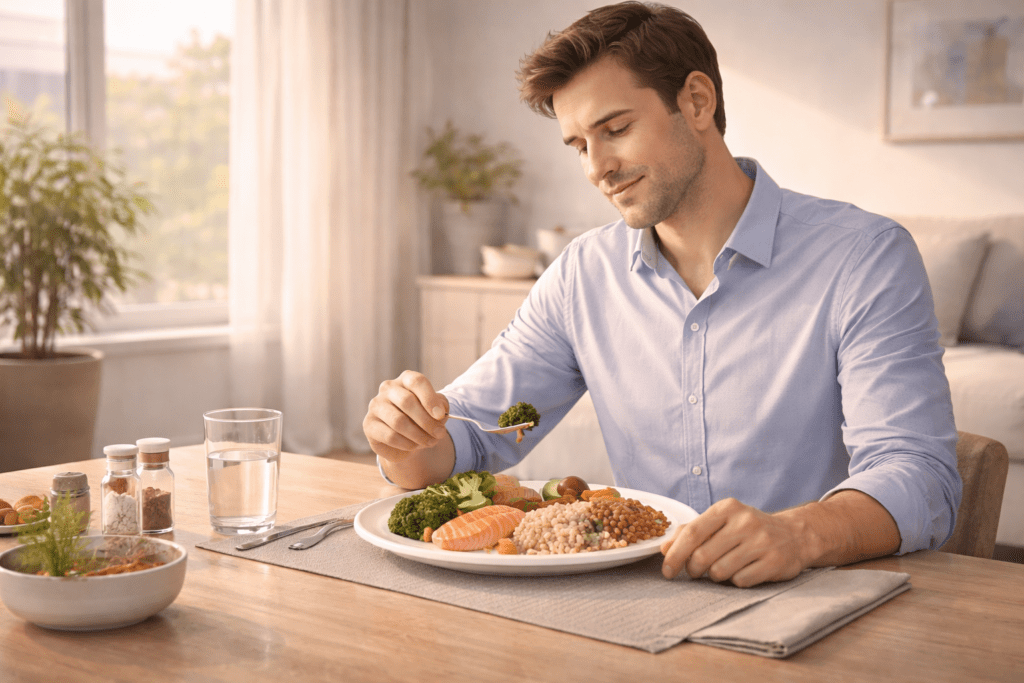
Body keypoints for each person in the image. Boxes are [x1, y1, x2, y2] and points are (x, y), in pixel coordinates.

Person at [363, 1, 961, 587]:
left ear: (697, 101)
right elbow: (472, 435)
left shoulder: (864, 256)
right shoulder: (583, 276)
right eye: (577, 145)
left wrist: (796, 535)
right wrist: (407, 439)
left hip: (815, 598)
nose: (598, 167)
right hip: (640, 600)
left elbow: (919, 475)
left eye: (615, 129)